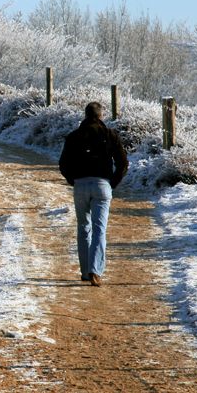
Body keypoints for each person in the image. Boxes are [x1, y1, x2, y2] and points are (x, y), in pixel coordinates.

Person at [58, 102, 128, 287]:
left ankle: (85, 272)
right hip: (102, 185)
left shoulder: (74, 136)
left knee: (83, 228)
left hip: (80, 185)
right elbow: (123, 163)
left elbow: (63, 164)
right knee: (99, 229)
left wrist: (73, 180)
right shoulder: (110, 135)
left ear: (85, 115)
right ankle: (95, 271)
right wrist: (111, 183)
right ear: (101, 115)